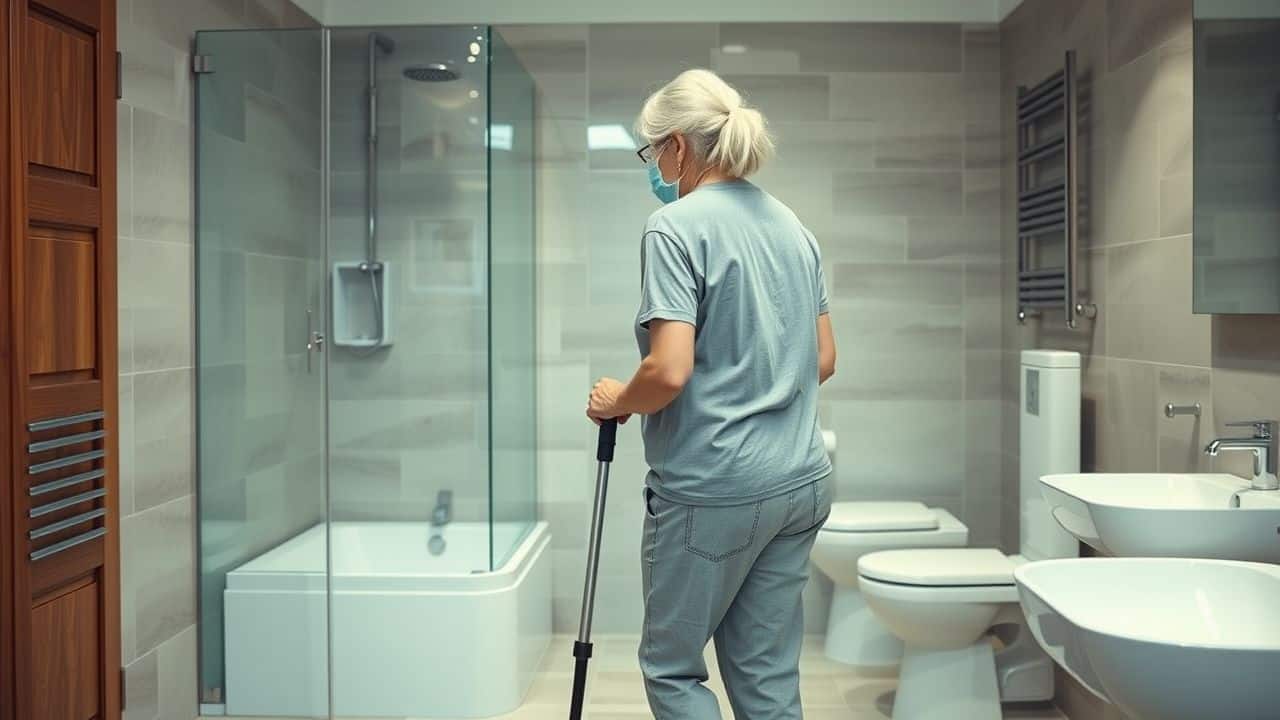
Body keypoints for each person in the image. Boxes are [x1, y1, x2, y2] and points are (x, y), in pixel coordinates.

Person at [585, 68, 838, 719]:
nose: (654, 166)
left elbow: (667, 372)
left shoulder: (674, 226)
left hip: (715, 488)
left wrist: (619, 398)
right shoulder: (794, 228)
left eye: (651, 152)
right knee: (767, 675)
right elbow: (825, 359)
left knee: (672, 671)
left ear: (676, 145)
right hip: (801, 479)